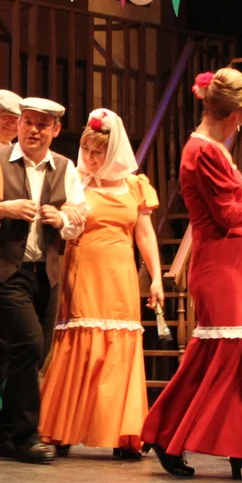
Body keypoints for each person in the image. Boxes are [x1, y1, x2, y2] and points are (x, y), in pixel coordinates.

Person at [141, 68, 242, 482]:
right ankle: (177, 434)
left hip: (233, 263)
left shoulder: (210, 148)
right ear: (237, 116)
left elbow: (230, 210)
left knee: (233, 358)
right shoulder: (204, 152)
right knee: (233, 358)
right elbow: (227, 213)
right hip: (220, 267)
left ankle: (239, 447)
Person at [0, 97, 87, 463]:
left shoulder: (64, 167)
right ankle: (27, 434)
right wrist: (3, 208)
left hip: (44, 273)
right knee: (29, 342)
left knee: (33, 351)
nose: (34, 130)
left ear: (55, 130)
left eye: (42, 125)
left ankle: (6, 433)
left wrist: (62, 219)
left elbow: (80, 214)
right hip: (3, 271)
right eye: (28, 122)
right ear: (18, 125)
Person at [39, 108, 161, 459]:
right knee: (80, 340)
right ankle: (62, 429)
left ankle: (123, 435)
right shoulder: (74, 180)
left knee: (119, 346)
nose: (91, 158)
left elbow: (144, 234)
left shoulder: (134, 185)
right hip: (84, 270)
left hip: (120, 274)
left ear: (113, 151)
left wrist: (156, 278)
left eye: (99, 152)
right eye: (87, 150)